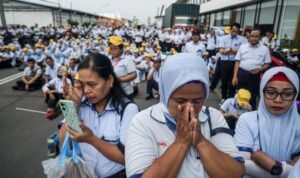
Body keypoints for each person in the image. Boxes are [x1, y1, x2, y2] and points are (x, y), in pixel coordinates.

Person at [125, 53, 245, 178]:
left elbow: (236, 173)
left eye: (197, 101)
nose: (189, 108)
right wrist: (181, 142)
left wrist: (201, 141)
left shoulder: (213, 117)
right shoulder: (143, 122)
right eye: (180, 101)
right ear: (165, 94)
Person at [59, 53, 139, 178]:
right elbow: (63, 139)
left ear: (110, 81)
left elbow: (127, 158)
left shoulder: (128, 109)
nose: (86, 91)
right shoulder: (81, 104)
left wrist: (92, 139)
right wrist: (73, 106)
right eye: (82, 84)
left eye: (92, 84)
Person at [234, 67, 300, 178]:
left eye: (287, 94)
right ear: (262, 92)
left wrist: (273, 166)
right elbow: (240, 164)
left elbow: (248, 166)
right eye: (271, 92)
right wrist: (291, 168)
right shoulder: (248, 120)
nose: (278, 100)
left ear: (295, 96)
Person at [232, 28, 271, 109]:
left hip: (254, 76)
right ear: (249, 37)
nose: (254, 38)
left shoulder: (265, 49)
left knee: (252, 96)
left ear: (260, 37)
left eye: (256, 36)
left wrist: (260, 70)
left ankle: (251, 114)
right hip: (242, 74)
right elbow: (237, 62)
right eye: (252, 36)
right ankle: (237, 112)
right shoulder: (243, 47)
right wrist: (235, 77)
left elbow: (267, 63)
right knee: (239, 94)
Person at [219, 23, 247, 102]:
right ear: (230, 30)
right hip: (224, 63)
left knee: (233, 82)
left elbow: (242, 52)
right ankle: (223, 98)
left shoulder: (242, 39)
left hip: (235, 63)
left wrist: (230, 49)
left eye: (236, 31)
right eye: (233, 31)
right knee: (224, 81)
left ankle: (230, 99)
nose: (234, 33)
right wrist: (234, 50)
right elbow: (221, 51)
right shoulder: (223, 38)